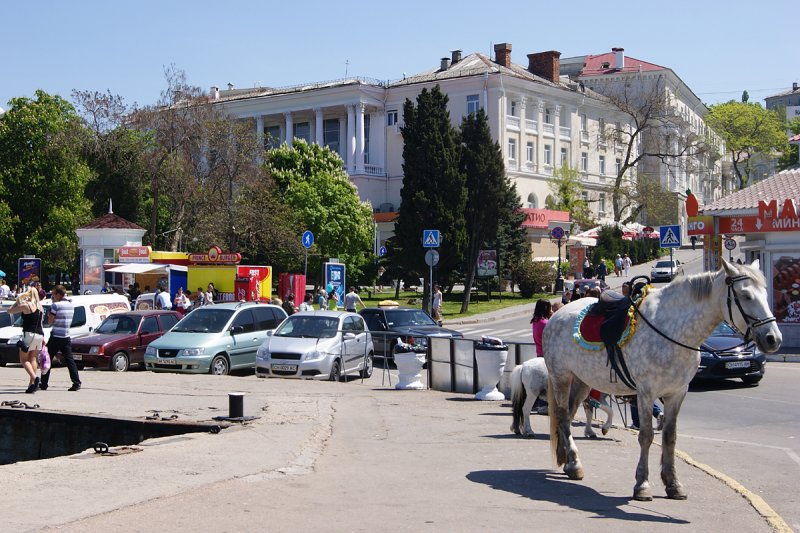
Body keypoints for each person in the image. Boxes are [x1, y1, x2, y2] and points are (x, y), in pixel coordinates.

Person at [41, 285, 81, 391]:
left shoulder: (56, 305)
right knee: (69, 360)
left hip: (56, 336)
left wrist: (49, 315)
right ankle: (76, 382)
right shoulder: (71, 304)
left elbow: (49, 322)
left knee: (47, 359)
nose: (52, 296)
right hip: (66, 335)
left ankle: (44, 383)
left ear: (58, 294)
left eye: (54, 294)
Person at [8, 286, 45, 393]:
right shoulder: (40, 307)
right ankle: (31, 385)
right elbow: (41, 323)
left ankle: (34, 377)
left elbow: (9, 311)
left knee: (23, 359)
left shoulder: (26, 306)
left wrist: (18, 300)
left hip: (29, 334)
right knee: (33, 359)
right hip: (39, 334)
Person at [530, 299, 552, 414]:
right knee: (548, 381)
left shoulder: (536, 321)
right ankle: (544, 404)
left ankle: (537, 403)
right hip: (547, 354)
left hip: (539, 352)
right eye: (550, 308)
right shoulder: (546, 323)